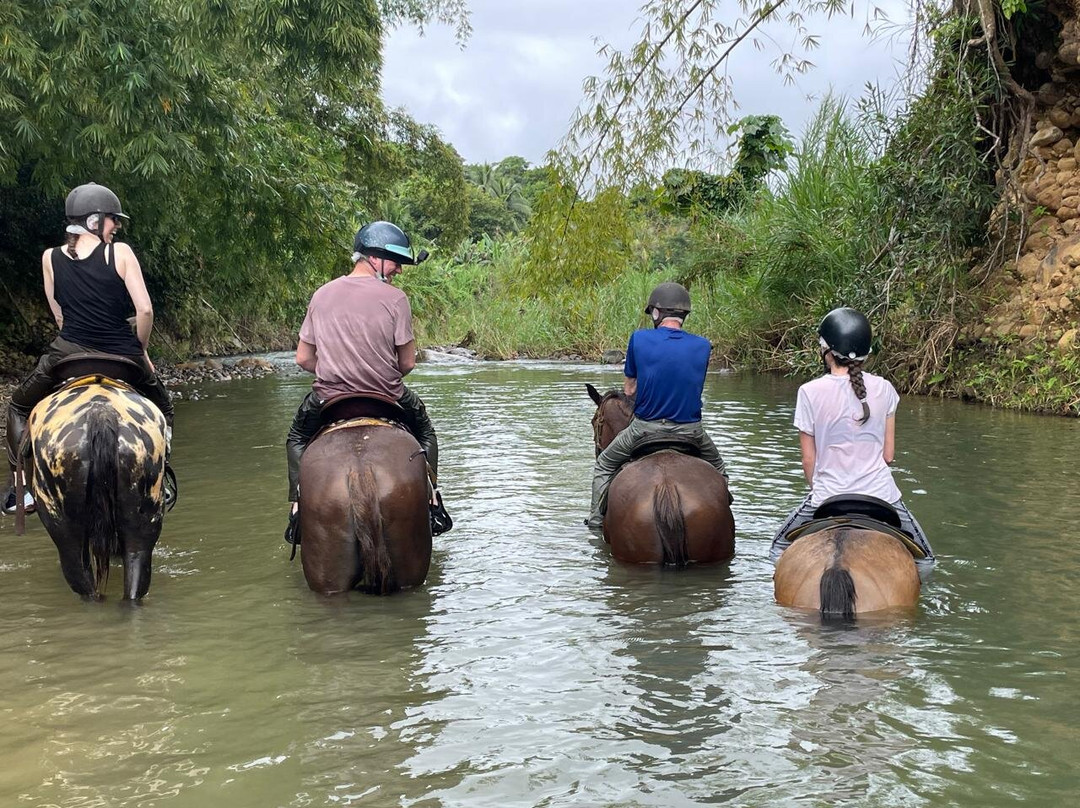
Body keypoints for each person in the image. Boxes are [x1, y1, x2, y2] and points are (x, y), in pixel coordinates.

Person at [3, 182, 175, 515]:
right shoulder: (120, 253)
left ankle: (21, 489)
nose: (118, 226)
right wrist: (138, 348)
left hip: (68, 352)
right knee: (164, 408)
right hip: (123, 353)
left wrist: (74, 337)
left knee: (17, 407)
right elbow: (145, 311)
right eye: (114, 219)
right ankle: (160, 481)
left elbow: (58, 313)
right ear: (94, 221)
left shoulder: (50, 257)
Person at [283, 220, 448, 546]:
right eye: (396, 262)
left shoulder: (321, 294)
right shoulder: (396, 299)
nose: (399, 270)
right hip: (387, 395)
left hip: (328, 397)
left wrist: (335, 369)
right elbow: (408, 363)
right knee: (425, 431)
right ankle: (431, 499)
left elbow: (303, 359)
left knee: (297, 437)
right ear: (375, 258)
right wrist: (374, 370)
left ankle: (297, 504)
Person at [768, 307, 935, 571]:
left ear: (827, 350)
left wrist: (820, 488)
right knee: (926, 560)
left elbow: (808, 459)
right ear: (867, 352)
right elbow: (888, 456)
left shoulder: (808, 392)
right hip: (881, 494)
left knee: (778, 548)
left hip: (827, 495)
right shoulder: (886, 389)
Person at [586, 282, 729, 530]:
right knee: (719, 470)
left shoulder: (639, 339)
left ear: (656, 313)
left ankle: (596, 523)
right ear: (684, 314)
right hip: (691, 432)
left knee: (604, 465)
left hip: (644, 429)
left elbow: (629, 390)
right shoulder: (703, 345)